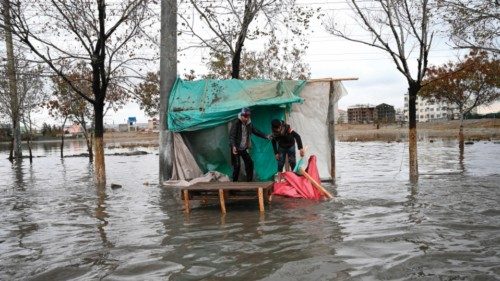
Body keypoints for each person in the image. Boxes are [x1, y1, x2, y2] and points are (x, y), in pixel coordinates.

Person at [229, 107, 270, 182]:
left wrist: (266, 136)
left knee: (250, 163)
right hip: (236, 148)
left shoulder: (248, 124)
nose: (246, 118)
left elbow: (255, 131)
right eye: (244, 116)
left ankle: (249, 182)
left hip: (243, 148)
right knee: (237, 166)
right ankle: (233, 184)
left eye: (247, 116)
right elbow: (232, 136)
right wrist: (233, 146)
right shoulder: (236, 123)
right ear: (241, 115)